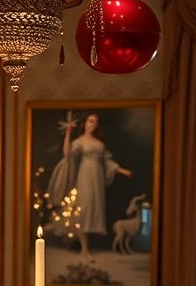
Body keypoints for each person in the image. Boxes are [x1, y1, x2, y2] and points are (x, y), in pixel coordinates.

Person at [47, 111, 132, 261]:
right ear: (85, 123)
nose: (93, 124)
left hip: (97, 178)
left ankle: (86, 247)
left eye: (95, 122)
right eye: (90, 121)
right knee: (84, 209)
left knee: (94, 209)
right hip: (85, 175)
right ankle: (84, 249)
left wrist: (122, 170)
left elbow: (107, 161)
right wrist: (68, 132)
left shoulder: (100, 144)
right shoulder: (80, 142)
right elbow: (67, 153)